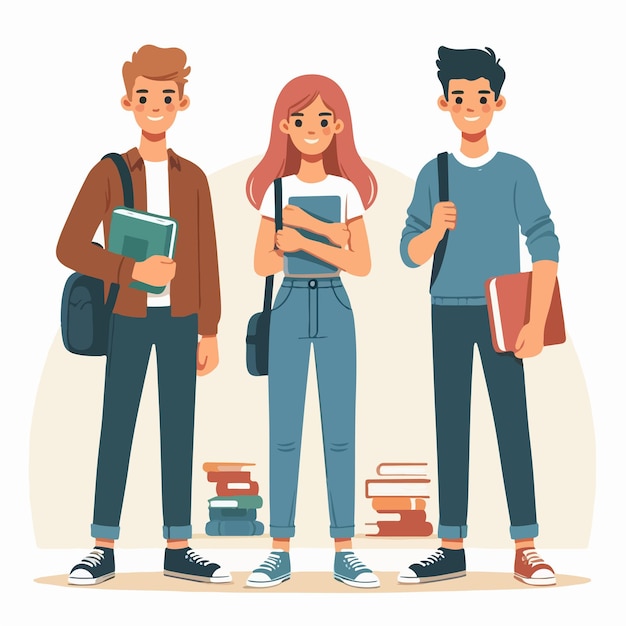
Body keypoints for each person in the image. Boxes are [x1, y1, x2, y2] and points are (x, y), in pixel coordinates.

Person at [57, 44, 230, 586]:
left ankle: (178, 545)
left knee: (179, 429)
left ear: (182, 101)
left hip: (181, 320)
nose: (156, 105)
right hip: (128, 315)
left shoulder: (194, 177)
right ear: (129, 101)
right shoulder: (109, 173)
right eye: (146, 95)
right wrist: (131, 271)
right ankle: (102, 545)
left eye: (167, 95)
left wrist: (210, 328)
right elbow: (69, 247)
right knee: (118, 426)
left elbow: (205, 255)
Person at [397, 46, 559, 586]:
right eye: (460, 97)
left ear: (498, 102)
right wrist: (435, 229)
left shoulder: (516, 172)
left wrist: (536, 321)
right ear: (445, 103)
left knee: (512, 423)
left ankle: (526, 544)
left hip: (502, 316)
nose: (471, 107)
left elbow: (545, 243)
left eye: (481, 97)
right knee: (452, 425)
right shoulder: (433, 172)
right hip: (446, 310)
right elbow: (407, 253)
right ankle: (451, 544)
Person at [245, 74, 380, 589]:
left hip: (336, 303)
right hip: (288, 306)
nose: (312, 129)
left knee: (339, 433)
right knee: (284, 433)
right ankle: (279, 548)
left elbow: (361, 263)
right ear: (285, 126)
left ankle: (344, 548)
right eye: (300, 120)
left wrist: (303, 234)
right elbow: (261, 260)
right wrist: (329, 238)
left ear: (338, 126)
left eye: (323, 120)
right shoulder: (275, 191)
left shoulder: (346, 190)